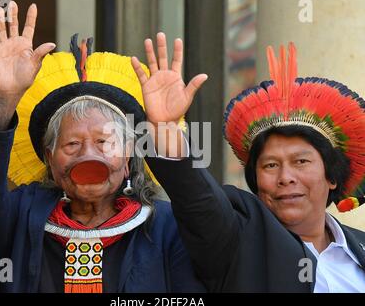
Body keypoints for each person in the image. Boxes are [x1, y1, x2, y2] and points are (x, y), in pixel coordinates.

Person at [0, 1, 204, 293]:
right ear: (49, 158)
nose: (88, 154)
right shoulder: (20, 217)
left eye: (103, 141)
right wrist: (4, 99)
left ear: (127, 158)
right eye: (71, 144)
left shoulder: (167, 228)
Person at [132, 33, 365, 292]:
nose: (286, 177)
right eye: (270, 165)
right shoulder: (237, 239)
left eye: (300, 161)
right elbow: (196, 197)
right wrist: (164, 128)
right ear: (255, 180)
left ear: (332, 176)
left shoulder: (359, 249)